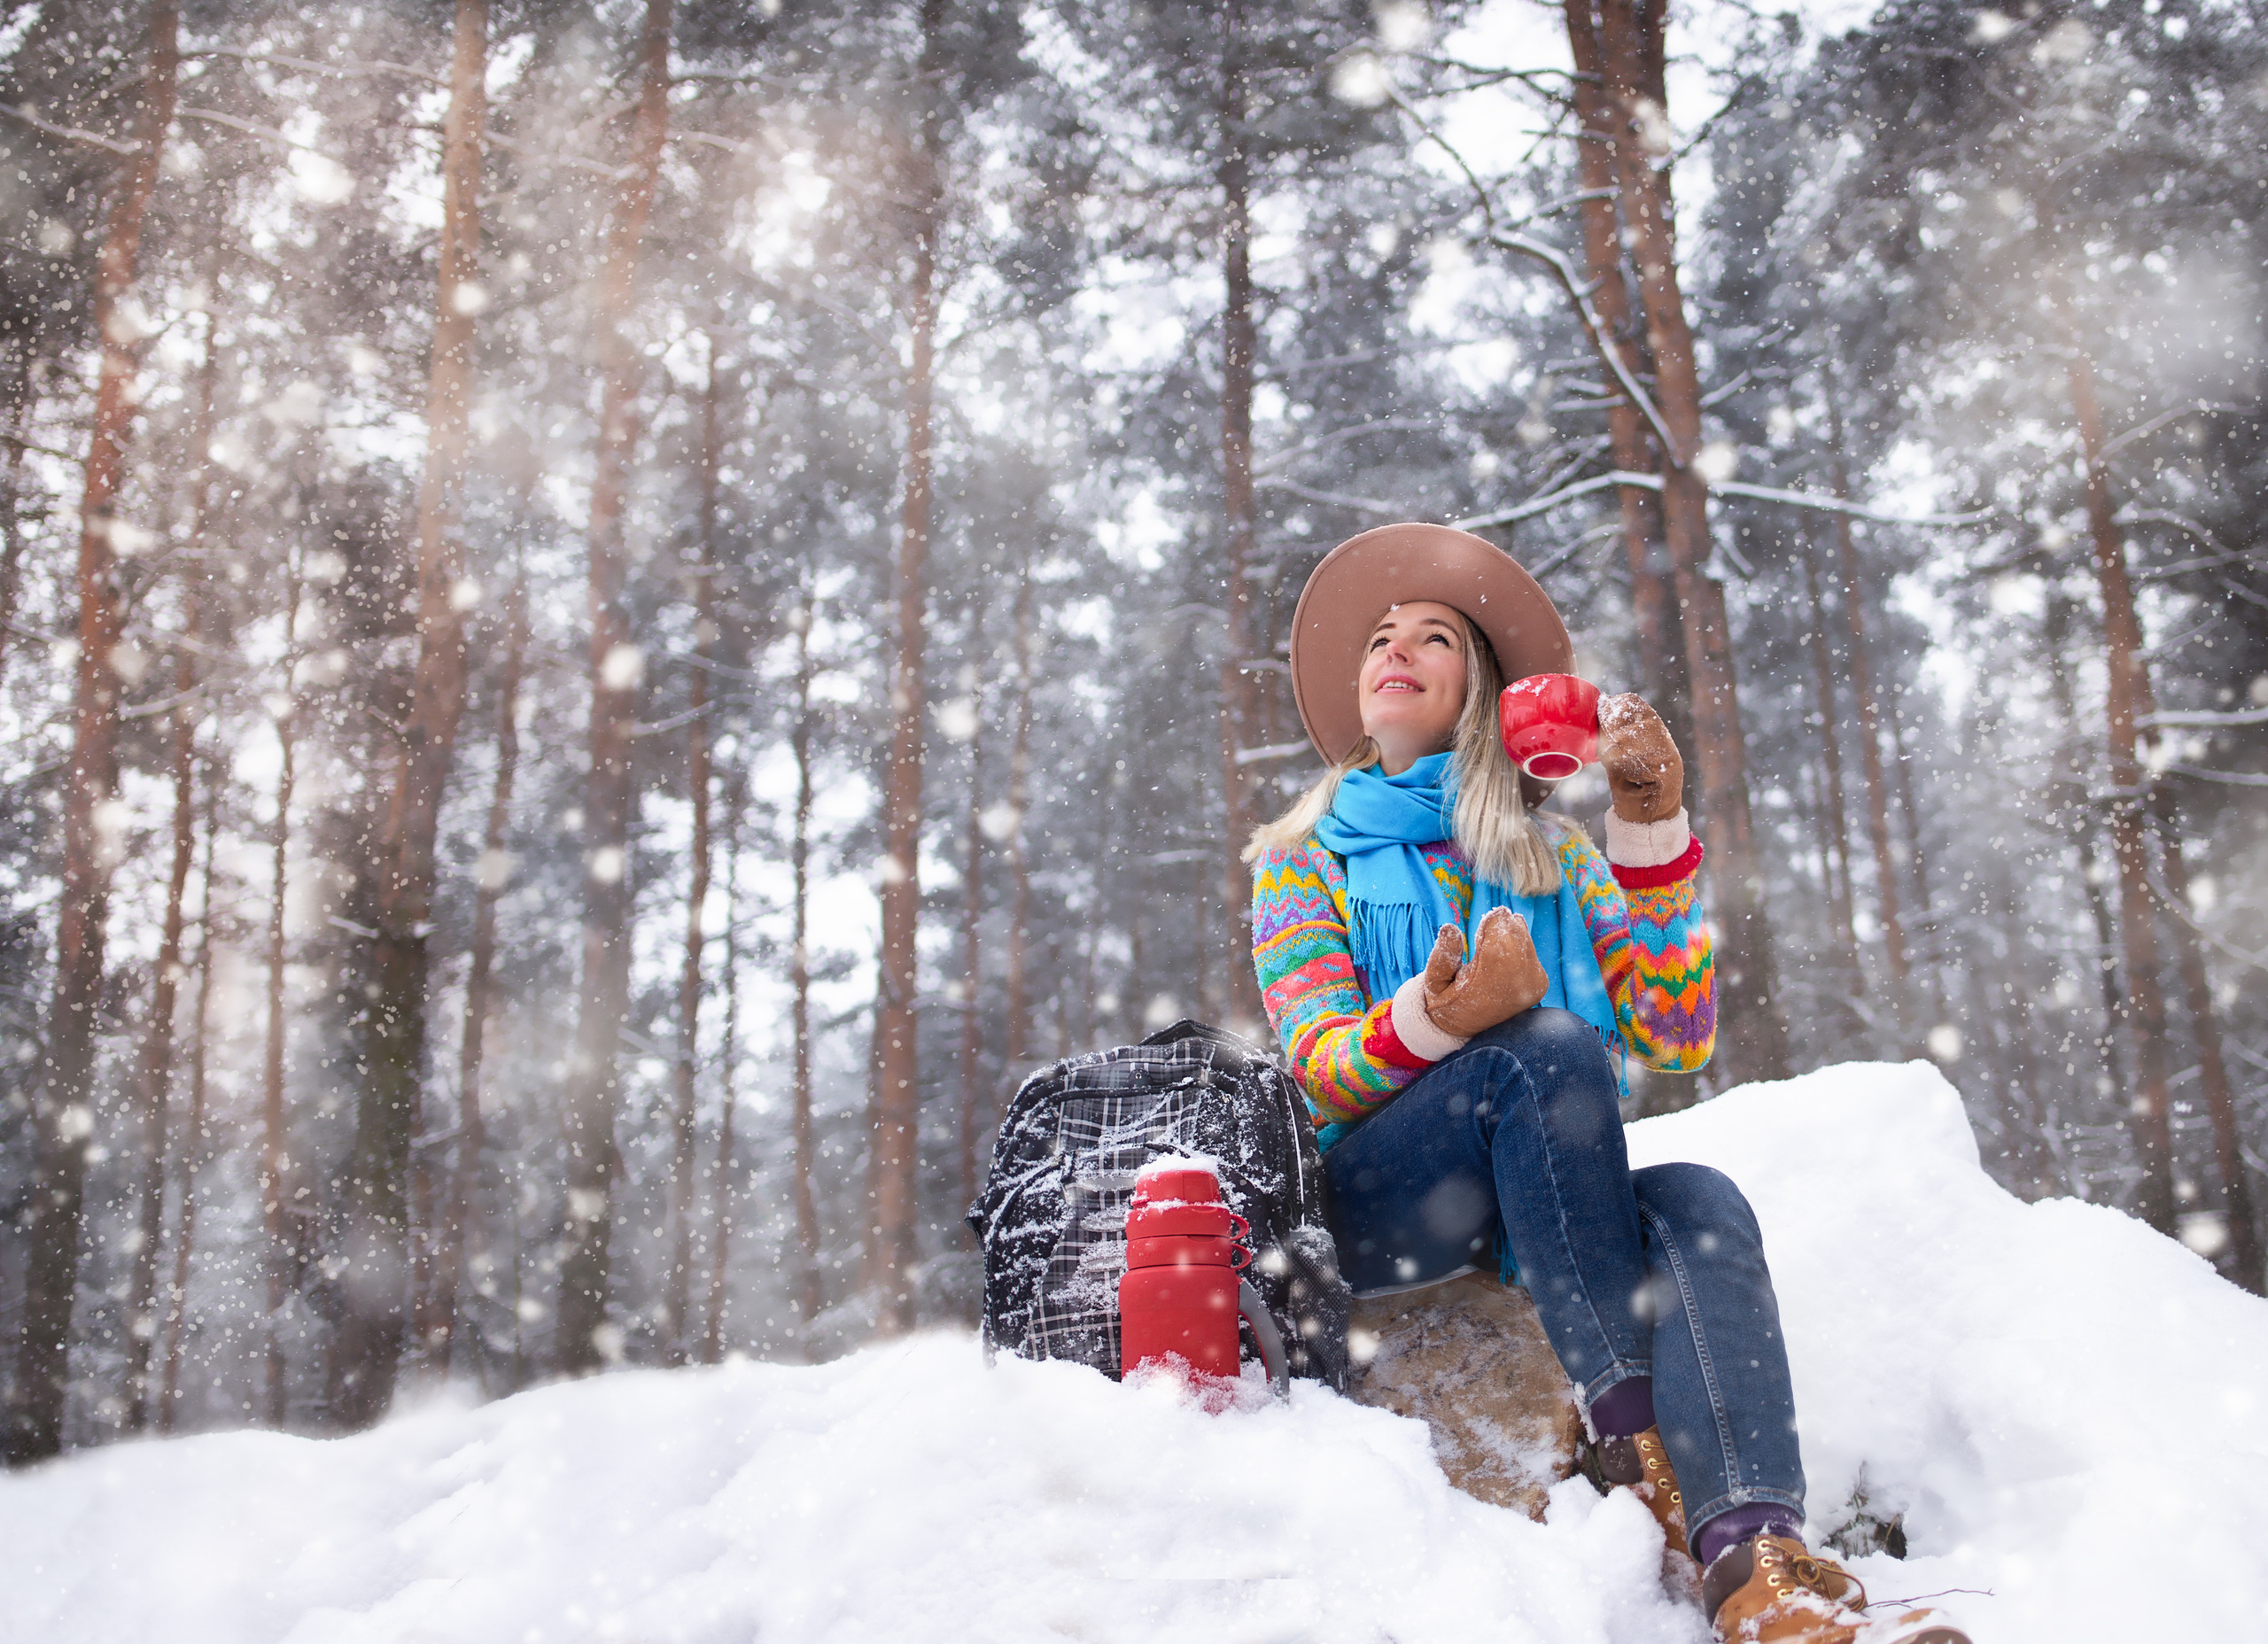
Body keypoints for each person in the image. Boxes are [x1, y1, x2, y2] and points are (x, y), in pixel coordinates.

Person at [1247, 523, 1967, 1644]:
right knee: (1538, 1047)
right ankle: (1639, 1447)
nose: (1393, 647)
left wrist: (1648, 826)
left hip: (1541, 1187)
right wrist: (1439, 1020)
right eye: (1380, 638)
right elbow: (1318, 1074)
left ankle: (1754, 1559)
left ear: (1480, 694)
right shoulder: (1307, 857)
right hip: (1377, 1205)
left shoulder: (1555, 860)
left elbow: (1675, 1031)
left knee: (1700, 1201)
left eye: (1432, 636)